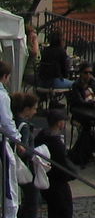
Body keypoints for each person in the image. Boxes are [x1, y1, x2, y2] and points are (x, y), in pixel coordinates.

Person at [0, 61, 28, 218]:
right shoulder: (3, 96)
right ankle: (10, 213)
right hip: (1, 141)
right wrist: (18, 139)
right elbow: (7, 122)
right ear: (5, 77)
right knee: (10, 178)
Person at [35, 108, 72, 218]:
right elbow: (63, 165)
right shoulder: (56, 143)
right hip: (58, 182)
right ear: (59, 123)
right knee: (63, 211)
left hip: (47, 179)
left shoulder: (41, 136)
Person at [67, 63, 95, 166]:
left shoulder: (94, 82)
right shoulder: (76, 85)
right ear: (81, 73)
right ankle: (85, 152)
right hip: (80, 112)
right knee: (86, 127)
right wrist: (92, 104)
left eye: (90, 73)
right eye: (86, 72)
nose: (88, 75)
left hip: (93, 111)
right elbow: (79, 101)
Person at [12, 93, 38, 218]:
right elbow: (24, 149)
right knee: (32, 197)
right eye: (34, 108)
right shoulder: (24, 126)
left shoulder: (13, 121)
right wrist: (33, 151)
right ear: (27, 109)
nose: (35, 111)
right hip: (23, 166)